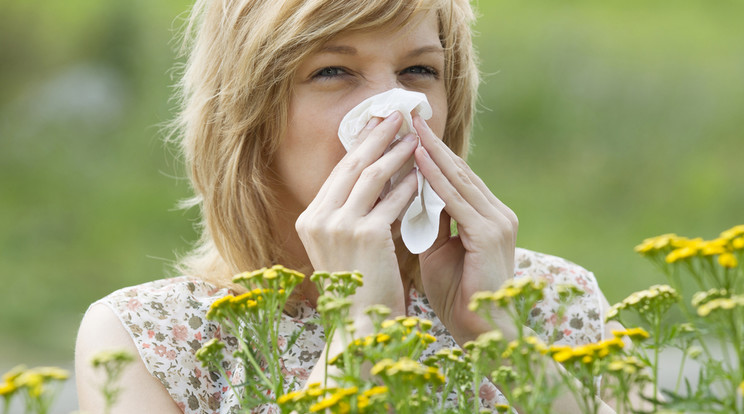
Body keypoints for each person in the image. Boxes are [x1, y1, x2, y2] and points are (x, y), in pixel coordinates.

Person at [75, 0, 623, 412]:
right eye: (333, 71)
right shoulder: (149, 337)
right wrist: (360, 332)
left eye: (419, 72)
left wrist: (502, 339)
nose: (395, 114)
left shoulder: (556, 300)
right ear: (249, 115)